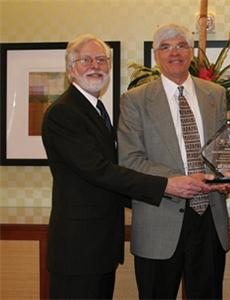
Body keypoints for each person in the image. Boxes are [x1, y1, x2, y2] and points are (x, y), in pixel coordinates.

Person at [42, 34, 211, 299]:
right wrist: (167, 185)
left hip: (98, 245)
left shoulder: (95, 109)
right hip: (78, 247)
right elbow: (100, 170)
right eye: (85, 60)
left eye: (101, 59)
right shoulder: (64, 112)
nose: (95, 65)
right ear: (70, 68)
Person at [118, 24, 230, 299]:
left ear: (190, 52)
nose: (174, 53)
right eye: (165, 47)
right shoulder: (135, 100)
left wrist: (227, 174)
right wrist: (175, 182)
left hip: (209, 219)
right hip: (158, 219)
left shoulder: (215, 94)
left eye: (180, 45)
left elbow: (220, 151)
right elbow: (130, 160)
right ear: (156, 56)